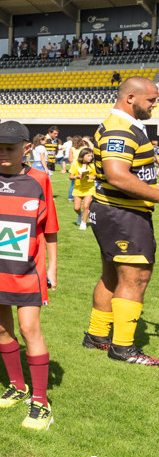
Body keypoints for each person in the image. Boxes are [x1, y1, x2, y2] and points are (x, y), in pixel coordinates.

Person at [0, 122, 57, 431]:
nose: (3, 153)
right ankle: (17, 385)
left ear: (26, 148)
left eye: (10, 147)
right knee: (0, 327)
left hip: (27, 271)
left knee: (28, 327)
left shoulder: (39, 180)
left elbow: (50, 229)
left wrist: (52, 267)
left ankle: (41, 401)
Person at [85, 76, 159, 365]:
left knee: (112, 275)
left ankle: (97, 335)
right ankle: (123, 347)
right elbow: (117, 175)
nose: (154, 104)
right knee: (136, 277)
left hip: (113, 211)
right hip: (122, 213)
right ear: (130, 98)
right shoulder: (120, 128)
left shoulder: (124, 126)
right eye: (151, 100)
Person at [70, 147, 96, 230]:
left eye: (91, 156)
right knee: (76, 208)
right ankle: (80, 215)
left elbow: (96, 176)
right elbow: (70, 176)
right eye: (88, 156)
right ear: (82, 156)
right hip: (78, 188)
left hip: (89, 188)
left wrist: (91, 177)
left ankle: (84, 223)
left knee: (86, 206)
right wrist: (77, 176)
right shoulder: (76, 164)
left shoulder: (93, 165)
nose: (90, 157)